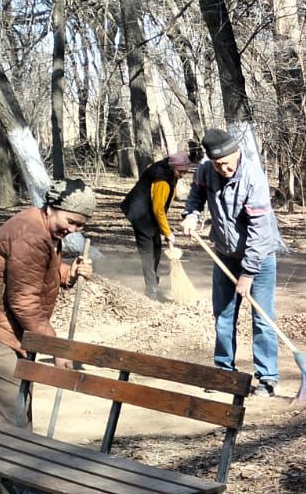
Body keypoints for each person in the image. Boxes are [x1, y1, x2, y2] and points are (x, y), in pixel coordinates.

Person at [0, 178, 96, 494]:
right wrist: (56, 348)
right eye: (71, 221)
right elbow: (24, 300)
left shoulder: (40, 227)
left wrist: (68, 273)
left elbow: (33, 272)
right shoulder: (32, 233)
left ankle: (23, 489)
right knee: (8, 417)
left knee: (14, 408)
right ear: (53, 207)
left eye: (80, 226)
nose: (73, 230)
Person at [180, 128, 284, 398]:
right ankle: (224, 373)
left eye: (227, 162)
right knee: (224, 316)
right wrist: (191, 215)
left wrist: (248, 274)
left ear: (237, 152)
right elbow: (196, 195)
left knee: (262, 317)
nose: (223, 169)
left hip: (259, 258)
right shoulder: (205, 170)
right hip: (225, 254)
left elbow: (259, 232)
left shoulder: (253, 178)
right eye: (218, 164)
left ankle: (267, 377)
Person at [122, 149, 194, 300]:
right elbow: (158, 209)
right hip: (140, 213)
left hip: (150, 213)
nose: (183, 175)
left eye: (185, 172)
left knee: (156, 251)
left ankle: (154, 285)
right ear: (173, 167)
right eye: (181, 171)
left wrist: (165, 229)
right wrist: (167, 232)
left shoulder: (170, 173)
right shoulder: (162, 179)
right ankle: (151, 291)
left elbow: (162, 206)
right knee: (148, 253)